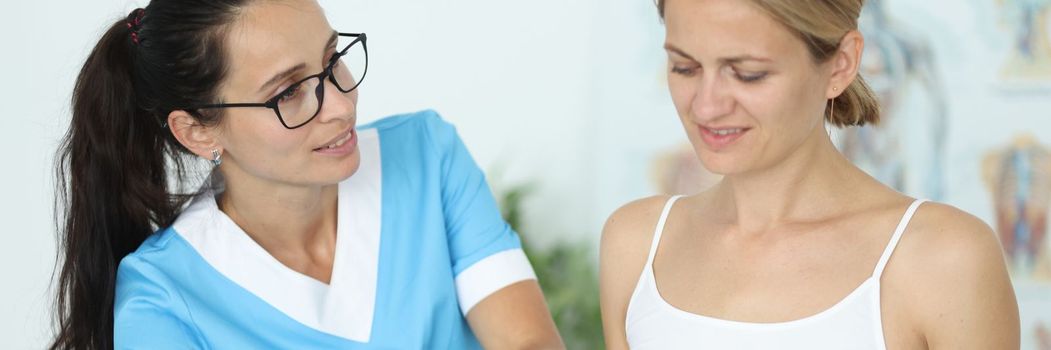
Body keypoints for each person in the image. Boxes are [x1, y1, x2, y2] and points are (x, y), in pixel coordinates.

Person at [51, 0, 563, 349]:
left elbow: (529, 340)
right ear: (197, 132)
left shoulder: (427, 156)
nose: (340, 106)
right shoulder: (163, 297)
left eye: (333, 58)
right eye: (287, 92)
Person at [599, 0, 1020, 349]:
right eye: (685, 68)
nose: (706, 107)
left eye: (749, 74)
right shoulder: (636, 244)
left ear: (840, 65)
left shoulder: (941, 259)